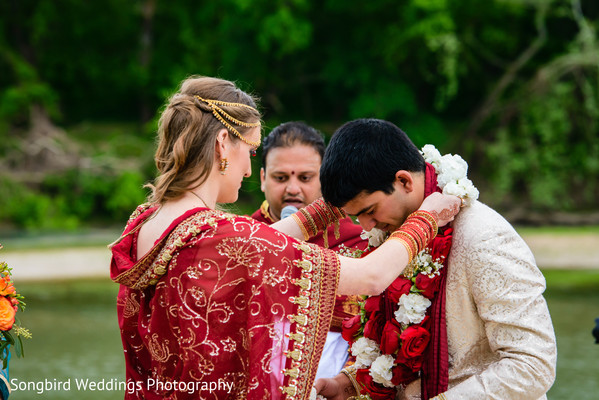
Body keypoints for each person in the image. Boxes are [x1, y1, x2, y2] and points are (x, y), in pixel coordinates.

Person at [109, 77, 460, 399]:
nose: (248, 170)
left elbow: (250, 245)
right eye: (249, 150)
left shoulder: (147, 223)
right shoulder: (220, 235)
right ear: (221, 145)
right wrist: (427, 218)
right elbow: (371, 276)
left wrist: (333, 205)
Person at [314, 119, 557, 400]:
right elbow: (402, 354)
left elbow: (533, 365)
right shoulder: (395, 234)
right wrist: (348, 385)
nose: (366, 226)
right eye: (358, 216)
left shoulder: (483, 237)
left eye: (370, 210)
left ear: (404, 180)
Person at [251, 121, 369, 380]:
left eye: (305, 178)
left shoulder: (360, 243)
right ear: (262, 179)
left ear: (325, 178)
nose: (293, 188)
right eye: (281, 178)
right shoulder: (241, 241)